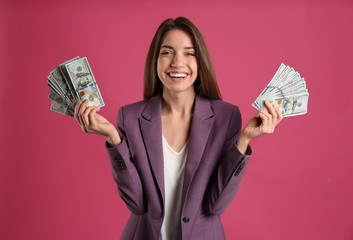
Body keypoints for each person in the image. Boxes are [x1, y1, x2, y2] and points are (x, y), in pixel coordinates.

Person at [74, 16, 283, 240]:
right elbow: (136, 203)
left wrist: (243, 142)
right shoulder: (130, 117)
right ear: (155, 60)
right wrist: (113, 139)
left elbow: (216, 205)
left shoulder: (226, 117)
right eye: (167, 52)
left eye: (189, 53)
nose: (177, 62)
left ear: (200, 61)